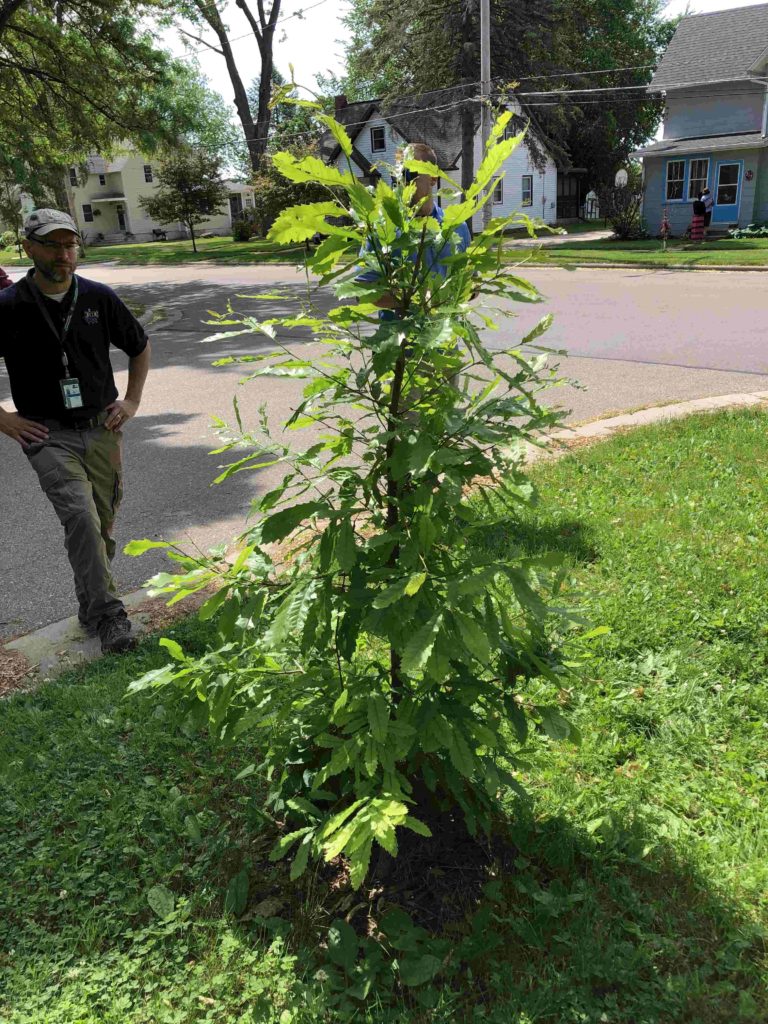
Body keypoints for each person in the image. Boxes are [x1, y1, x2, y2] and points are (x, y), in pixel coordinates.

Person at [0, 209, 151, 653]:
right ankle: (110, 617)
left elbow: (139, 347)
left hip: (103, 429)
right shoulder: (8, 306)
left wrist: (132, 401)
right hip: (46, 435)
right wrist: (4, 419)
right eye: (53, 245)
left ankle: (90, 606)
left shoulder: (99, 298)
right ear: (28, 248)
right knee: (81, 517)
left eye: (70, 245)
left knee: (101, 527)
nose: (64, 254)